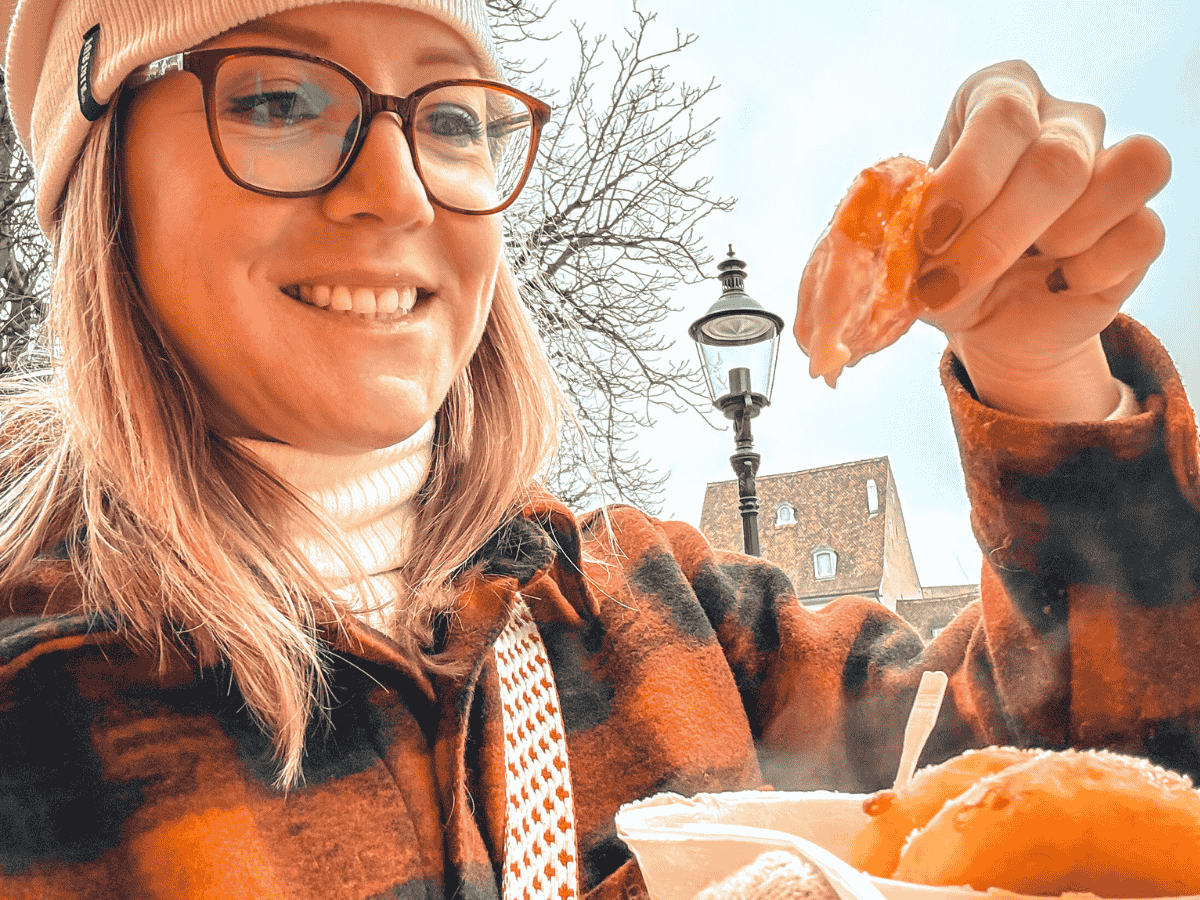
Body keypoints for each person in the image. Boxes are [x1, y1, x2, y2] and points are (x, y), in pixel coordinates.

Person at [0, 0, 1189, 898]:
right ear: (97, 182)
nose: (400, 187)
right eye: (276, 101)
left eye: (452, 119)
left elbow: (1089, 788)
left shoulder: (673, 617)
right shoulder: (32, 704)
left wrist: (1044, 376)